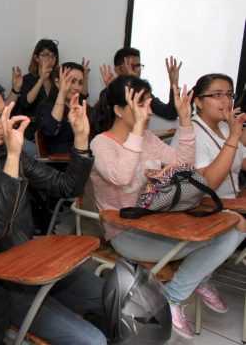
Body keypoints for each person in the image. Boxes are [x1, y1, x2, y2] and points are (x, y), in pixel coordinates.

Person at [0, 77, 107, 344]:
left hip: (34, 260)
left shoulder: (6, 153)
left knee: (116, 296)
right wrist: (12, 158)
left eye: (4, 114)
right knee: (92, 340)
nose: (3, 124)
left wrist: (81, 139)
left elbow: (65, 187)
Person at [90, 75, 246, 340]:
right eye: (142, 105)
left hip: (160, 221)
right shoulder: (101, 143)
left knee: (237, 225)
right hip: (127, 233)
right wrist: (137, 131)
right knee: (220, 235)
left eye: (149, 104)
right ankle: (183, 290)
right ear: (118, 110)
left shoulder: (148, 138)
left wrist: (185, 122)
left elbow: (182, 165)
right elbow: (121, 177)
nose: (149, 112)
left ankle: (178, 292)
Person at [171, 73, 246, 199]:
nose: (227, 101)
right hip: (205, 208)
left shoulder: (226, 127)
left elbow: (243, 161)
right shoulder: (189, 133)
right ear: (199, 102)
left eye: (229, 94)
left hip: (232, 202)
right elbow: (208, 183)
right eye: (217, 95)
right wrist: (233, 137)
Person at [99, 48, 179, 120]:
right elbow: (104, 122)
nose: (137, 70)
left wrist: (173, 83)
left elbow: (170, 114)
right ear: (118, 70)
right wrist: (112, 89)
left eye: (139, 66)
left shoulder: (145, 94)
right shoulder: (106, 92)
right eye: (132, 66)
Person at [38, 62, 91, 155]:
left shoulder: (82, 105)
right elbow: (51, 130)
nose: (77, 87)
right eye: (72, 81)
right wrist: (62, 92)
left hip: (86, 158)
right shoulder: (48, 106)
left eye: (80, 83)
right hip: (61, 162)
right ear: (58, 83)